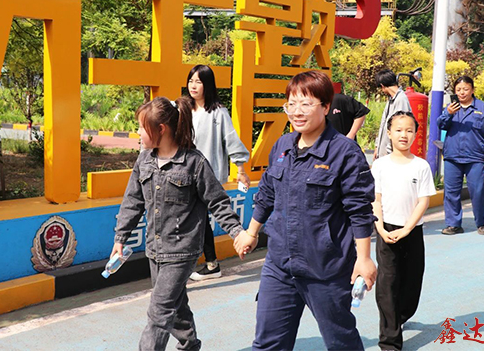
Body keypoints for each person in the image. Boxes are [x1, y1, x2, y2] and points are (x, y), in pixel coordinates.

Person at [234, 70, 377, 350]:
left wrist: (364, 259)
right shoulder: (282, 146)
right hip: (280, 264)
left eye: (306, 104)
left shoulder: (345, 152)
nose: (297, 112)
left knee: (340, 341)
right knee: (267, 343)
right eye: (291, 104)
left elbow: (359, 210)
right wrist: (251, 232)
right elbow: (267, 193)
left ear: (326, 107)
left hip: (326, 266)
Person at [110, 96, 247, 351]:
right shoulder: (144, 161)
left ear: (161, 129)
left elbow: (217, 201)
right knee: (176, 304)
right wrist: (120, 238)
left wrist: (237, 232)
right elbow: (132, 201)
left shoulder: (194, 163)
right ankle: (189, 345)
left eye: (142, 127)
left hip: (182, 250)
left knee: (159, 310)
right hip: (155, 248)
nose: (138, 132)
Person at [372, 111, 436, 351]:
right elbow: (376, 199)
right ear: (389, 133)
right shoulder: (380, 165)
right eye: (398, 130)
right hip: (386, 231)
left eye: (409, 130)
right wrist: (380, 228)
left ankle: (399, 316)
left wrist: (408, 228)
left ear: (416, 134)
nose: (403, 135)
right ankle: (389, 341)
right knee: (387, 283)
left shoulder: (421, 166)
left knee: (411, 283)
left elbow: (423, 201)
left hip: (412, 232)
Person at [186, 65, 251, 281]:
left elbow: (231, 141)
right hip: (185, 174)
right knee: (198, 218)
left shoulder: (218, 113)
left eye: (198, 82)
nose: (193, 86)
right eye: (191, 81)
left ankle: (211, 263)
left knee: (200, 217)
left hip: (209, 175)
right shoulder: (184, 109)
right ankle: (209, 263)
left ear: (208, 85)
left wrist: (240, 170)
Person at [437, 76, 484, 235]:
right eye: (458, 90)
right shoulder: (450, 107)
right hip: (453, 156)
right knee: (451, 192)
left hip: (475, 157)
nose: (462, 93)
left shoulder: (481, 107)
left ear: (472, 90)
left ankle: (481, 223)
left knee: (478, 191)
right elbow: (441, 125)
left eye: (465, 89)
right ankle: (453, 224)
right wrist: (448, 114)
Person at [374, 69, 412, 159]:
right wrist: (377, 147)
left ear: (382, 86)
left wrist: (390, 152)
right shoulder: (391, 100)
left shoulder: (401, 100)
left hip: (391, 155)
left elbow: (399, 129)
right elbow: (384, 124)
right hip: (384, 154)